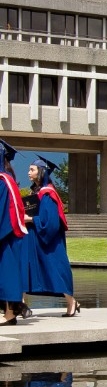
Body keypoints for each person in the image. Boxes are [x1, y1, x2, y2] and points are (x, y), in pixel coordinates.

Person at [23, 155, 77, 317]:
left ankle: (71, 301)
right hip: (36, 238)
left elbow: (51, 222)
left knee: (56, 270)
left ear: (41, 172)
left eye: (32, 170)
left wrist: (31, 219)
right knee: (27, 269)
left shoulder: (48, 195)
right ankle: (21, 305)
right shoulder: (38, 192)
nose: (28, 172)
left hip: (50, 241)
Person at [0, 139, 28, 326]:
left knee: (6, 274)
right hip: (5, 236)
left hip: (5, 237)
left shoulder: (3, 182)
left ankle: (10, 313)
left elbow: (1, 211)